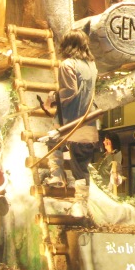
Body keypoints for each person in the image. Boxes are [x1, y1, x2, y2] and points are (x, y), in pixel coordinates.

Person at [51, 29, 99, 186]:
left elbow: (70, 91)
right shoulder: (92, 66)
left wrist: (53, 97)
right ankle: (82, 204)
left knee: (52, 143)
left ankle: (58, 177)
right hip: (89, 121)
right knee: (81, 168)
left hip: (69, 122)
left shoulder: (67, 64)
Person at [97, 132, 125, 196]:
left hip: (106, 190)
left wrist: (108, 190)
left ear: (111, 142)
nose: (104, 142)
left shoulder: (116, 154)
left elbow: (117, 172)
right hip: (98, 187)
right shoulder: (104, 155)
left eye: (106, 140)